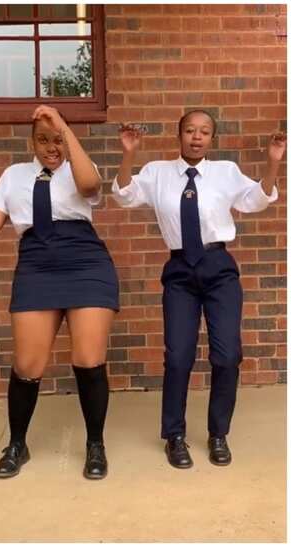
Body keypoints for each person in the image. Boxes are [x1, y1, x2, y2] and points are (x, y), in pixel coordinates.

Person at [113, 110, 285, 468]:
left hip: (219, 268)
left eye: (204, 132)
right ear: (179, 135)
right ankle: (174, 435)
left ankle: (217, 433)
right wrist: (129, 152)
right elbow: (125, 195)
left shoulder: (225, 172)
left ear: (211, 138)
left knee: (226, 356)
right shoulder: (158, 173)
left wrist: (272, 164)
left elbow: (256, 200)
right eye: (190, 130)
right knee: (178, 357)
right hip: (179, 271)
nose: (197, 137)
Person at [0, 106, 118, 480]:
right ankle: (17, 444)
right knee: (28, 365)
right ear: (31, 141)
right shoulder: (14, 175)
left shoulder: (79, 166)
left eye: (57, 139)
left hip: (86, 264)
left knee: (87, 358)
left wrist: (64, 125)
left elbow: (91, 187)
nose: (52, 147)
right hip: (36, 267)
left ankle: (96, 444)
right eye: (43, 140)